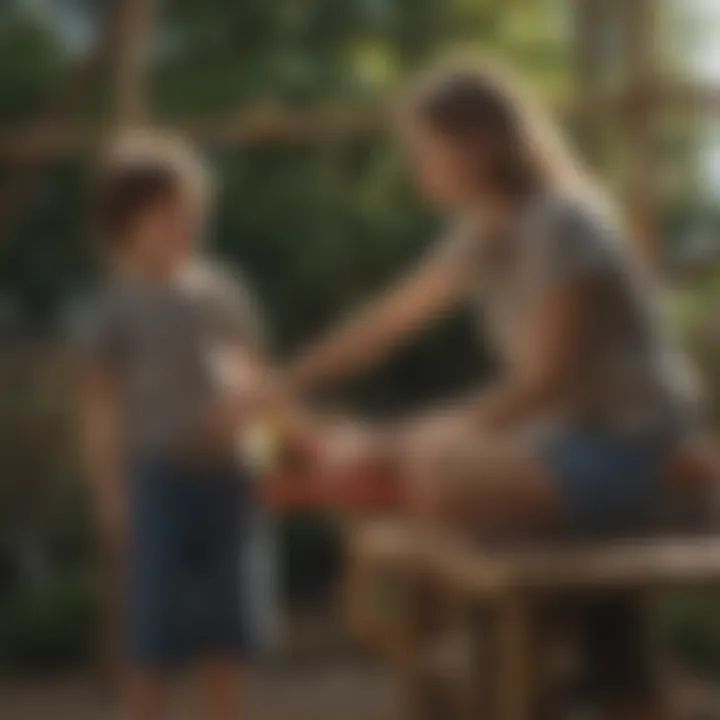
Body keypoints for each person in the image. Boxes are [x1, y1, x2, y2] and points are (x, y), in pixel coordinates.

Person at [289, 61, 705, 718]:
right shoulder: (485, 232)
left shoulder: (562, 223)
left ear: (480, 143)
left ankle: (504, 662)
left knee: (430, 470)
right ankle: (514, 660)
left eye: (427, 147)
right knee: (398, 466)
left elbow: (548, 380)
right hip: (565, 444)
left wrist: (403, 438)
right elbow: (388, 320)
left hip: (632, 447)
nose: (418, 164)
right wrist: (286, 382)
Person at [77, 133, 305, 720]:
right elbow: (101, 410)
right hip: (157, 482)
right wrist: (111, 497)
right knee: (150, 641)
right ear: (126, 221)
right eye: (168, 215)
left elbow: (255, 387)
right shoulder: (113, 306)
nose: (185, 227)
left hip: (230, 483)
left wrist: (270, 463)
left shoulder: (224, 293)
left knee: (227, 637)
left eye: (193, 214)